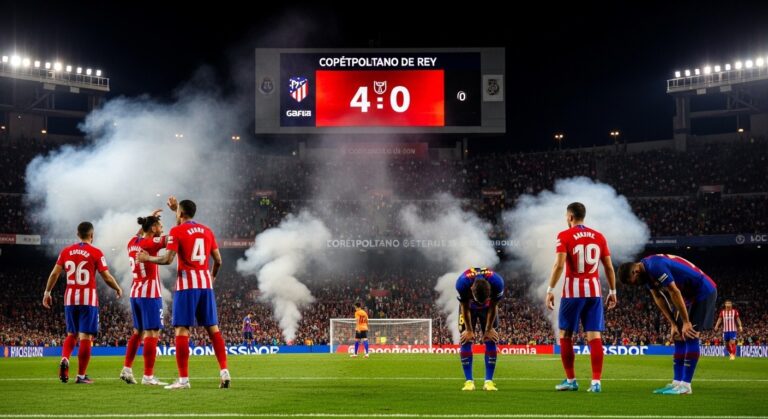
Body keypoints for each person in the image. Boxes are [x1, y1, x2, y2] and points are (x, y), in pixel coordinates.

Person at [139, 197, 228, 390]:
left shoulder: (177, 231)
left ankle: (184, 380)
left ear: (180, 213)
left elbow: (168, 259)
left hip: (187, 285)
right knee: (213, 330)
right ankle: (224, 371)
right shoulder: (207, 230)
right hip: (205, 284)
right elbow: (219, 260)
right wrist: (212, 276)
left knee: (181, 330)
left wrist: (148, 257)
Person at [618, 254, 717, 395]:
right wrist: (673, 324)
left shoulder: (655, 266)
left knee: (690, 335)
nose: (635, 285)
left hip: (702, 291)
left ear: (635, 272)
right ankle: (677, 382)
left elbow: (674, 291)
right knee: (678, 336)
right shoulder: (646, 272)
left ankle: (686, 385)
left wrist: (686, 322)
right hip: (687, 296)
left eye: (632, 282)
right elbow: (659, 297)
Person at [546, 202, 616, 393]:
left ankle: (571, 380)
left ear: (570, 217)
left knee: (565, 335)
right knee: (594, 336)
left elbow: (559, 265)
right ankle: (596, 383)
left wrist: (550, 289)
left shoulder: (565, 235)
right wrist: (612, 291)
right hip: (594, 293)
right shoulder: (599, 237)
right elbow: (609, 267)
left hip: (573, 293)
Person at [42, 221, 123, 384]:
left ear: (77, 234)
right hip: (88, 299)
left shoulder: (66, 251)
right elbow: (106, 276)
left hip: (70, 297)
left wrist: (47, 292)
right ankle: (80, 376)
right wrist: (117, 288)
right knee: (86, 336)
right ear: (91, 235)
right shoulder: (96, 252)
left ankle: (65, 358)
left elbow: (54, 273)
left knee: (71, 334)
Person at [120, 209, 168, 386]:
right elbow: (173, 239)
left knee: (137, 332)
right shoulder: (152, 243)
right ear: (154, 228)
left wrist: (149, 219)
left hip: (135, 292)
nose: (162, 228)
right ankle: (148, 376)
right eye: (160, 225)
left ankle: (127, 368)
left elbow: (139, 234)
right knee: (152, 333)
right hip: (150, 293)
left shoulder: (132, 242)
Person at [456, 267, 504, 391]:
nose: (480, 303)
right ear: (471, 289)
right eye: (478, 301)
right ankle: (469, 382)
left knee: (491, 338)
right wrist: (469, 330)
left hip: (488, 309)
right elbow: (464, 307)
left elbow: (493, 306)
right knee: (465, 338)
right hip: (468, 309)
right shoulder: (462, 283)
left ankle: (488, 382)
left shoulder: (497, 282)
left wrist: (488, 329)